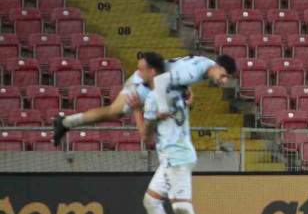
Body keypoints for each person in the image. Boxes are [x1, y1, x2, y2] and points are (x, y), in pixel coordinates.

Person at [52, 54, 237, 146]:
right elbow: (161, 79)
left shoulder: (206, 64)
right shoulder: (194, 72)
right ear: (218, 66)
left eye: (227, 78)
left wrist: (186, 89)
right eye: (224, 75)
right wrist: (160, 107)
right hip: (144, 82)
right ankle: (66, 122)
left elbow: (174, 70)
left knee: (113, 113)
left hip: (149, 80)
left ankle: (67, 122)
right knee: (113, 112)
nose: (223, 81)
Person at [133, 52, 205, 214]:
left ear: (152, 71)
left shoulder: (155, 97)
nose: (139, 73)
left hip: (177, 157)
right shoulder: (178, 89)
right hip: (172, 157)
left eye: (142, 69)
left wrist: (136, 109)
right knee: (151, 201)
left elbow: (145, 134)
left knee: (181, 207)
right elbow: (187, 104)